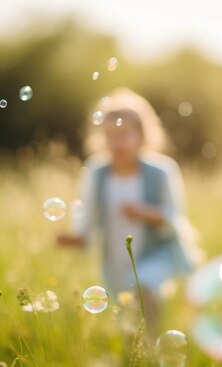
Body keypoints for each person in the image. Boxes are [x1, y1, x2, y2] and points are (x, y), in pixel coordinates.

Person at [57, 88, 198, 333]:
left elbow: (174, 217)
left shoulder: (162, 171)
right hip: (115, 257)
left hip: (156, 252)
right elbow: (87, 215)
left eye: (124, 134)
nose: (116, 142)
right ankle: (137, 355)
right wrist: (77, 236)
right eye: (110, 135)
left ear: (142, 135)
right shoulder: (97, 172)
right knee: (126, 314)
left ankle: (153, 345)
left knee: (144, 288)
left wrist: (146, 213)